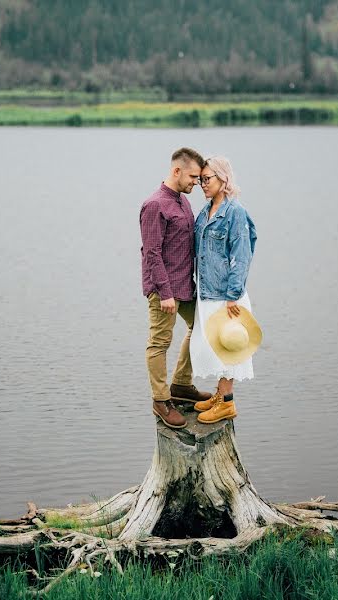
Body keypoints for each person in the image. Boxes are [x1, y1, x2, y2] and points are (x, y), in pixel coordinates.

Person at [140, 147, 213, 429]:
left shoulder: (183, 202)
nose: (197, 182)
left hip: (186, 286)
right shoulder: (155, 204)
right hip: (164, 290)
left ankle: (181, 384)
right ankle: (160, 400)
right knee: (159, 343)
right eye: (193, 176)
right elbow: (152, 253)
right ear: (176, 171)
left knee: (202, 327)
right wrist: (165, 293)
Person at [190, 156, 259, 424]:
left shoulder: (235, 212)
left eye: (207, 179)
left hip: (226, 297)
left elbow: (241, 256)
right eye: (200, 180)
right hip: (207, 293)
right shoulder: (205, 211)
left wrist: (233, 296)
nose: (202, 184)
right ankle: (220, 394)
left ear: (224, 179)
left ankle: (227, 402)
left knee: (229, 346)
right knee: (213, 346)